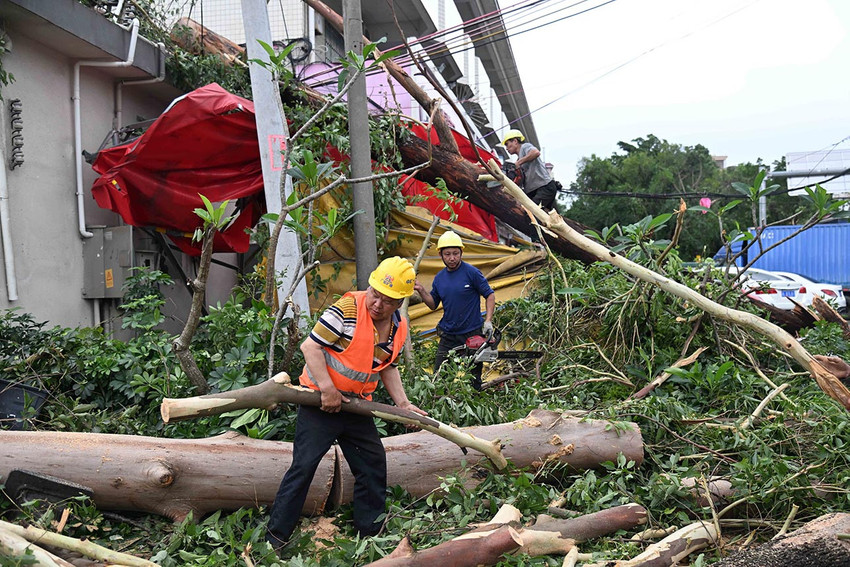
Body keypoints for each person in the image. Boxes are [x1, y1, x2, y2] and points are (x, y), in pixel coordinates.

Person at [266, 257, 427, 552]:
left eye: (387, 301)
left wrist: (403, 403)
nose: (377, 304)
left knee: (372, 463)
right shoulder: (347, 310)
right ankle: (275, 539)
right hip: (318, 402)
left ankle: (370, 532)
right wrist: (327, 389)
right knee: (303, 467)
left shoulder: (397, 327)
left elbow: (387, 366)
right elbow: (310, 346)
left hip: (356, 406)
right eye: (375, 294)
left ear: (400, 301)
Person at [414, 231, 496, 390]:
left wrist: (488, 321)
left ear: (461, 253)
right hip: (449, 334)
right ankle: (440, 402)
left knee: (473, 378)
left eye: (455, 253)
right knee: (439, 375)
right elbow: (433, 304)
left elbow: (490, 295)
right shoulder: (439, 278)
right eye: (448, 254)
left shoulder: (471, 272)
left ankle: (475, 402)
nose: (452, 258)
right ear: (441, 255)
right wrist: (421, 291)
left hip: (472, 332)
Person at [502, 129, 559, 211]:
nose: (507, 148)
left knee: (530, 212)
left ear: (515, 141)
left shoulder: (525, 147)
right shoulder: (519, 158)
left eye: (507, 144)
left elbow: (536, 152)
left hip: (544, 187)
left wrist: (519, 162)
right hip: (534, 191)